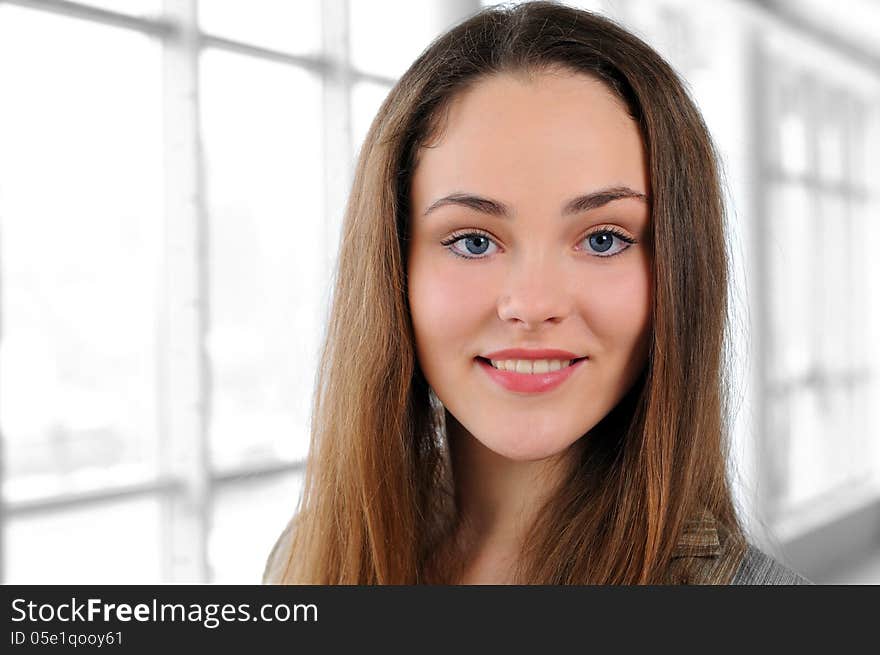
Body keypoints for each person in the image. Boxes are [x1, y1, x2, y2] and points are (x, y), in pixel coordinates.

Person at [264, 1, 810, 585]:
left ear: (681, 271)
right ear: (392, 267)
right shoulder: (305, 558)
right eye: (473, 241)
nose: (531, 303)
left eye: (603, 239)